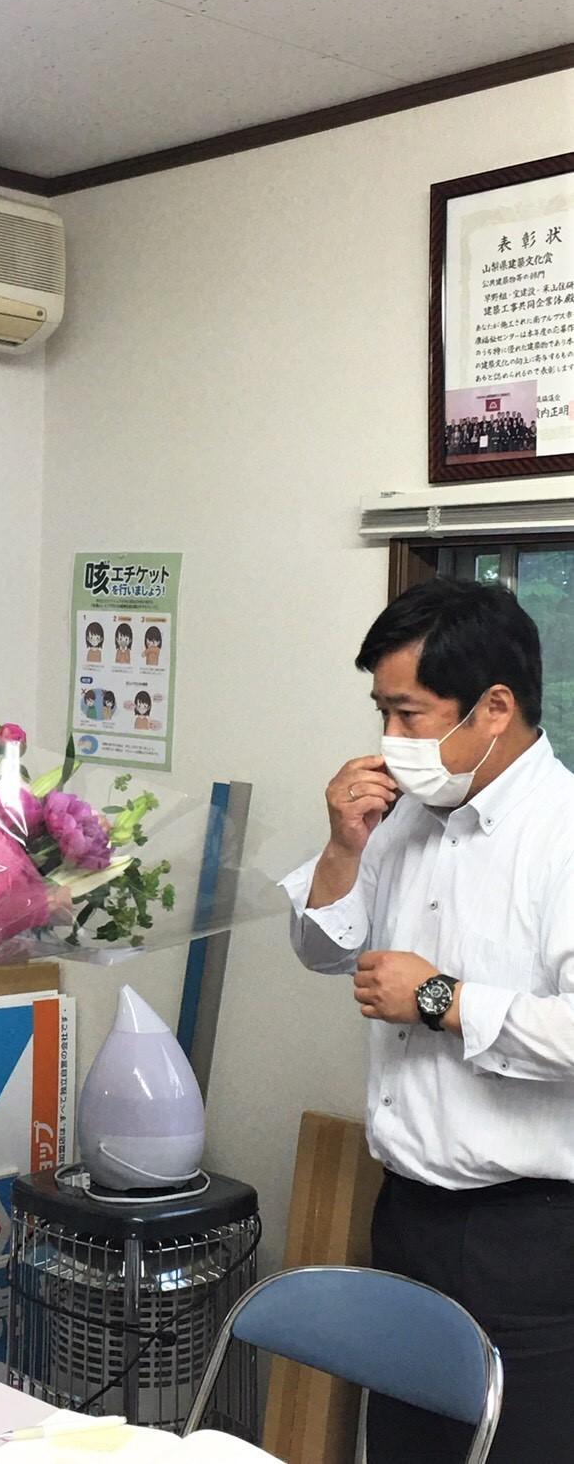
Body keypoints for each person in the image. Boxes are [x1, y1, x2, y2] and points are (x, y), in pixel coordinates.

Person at [282, 578, 574, 1463]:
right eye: (382, 712)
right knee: (405, 1448)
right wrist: (343, 846)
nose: (390, 740)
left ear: (495, 708)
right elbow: (324, 950)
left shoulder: (561, 834)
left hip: (529, 1237)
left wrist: (443, 999)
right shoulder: (404, 819)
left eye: (409, 715)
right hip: (407, 1214)